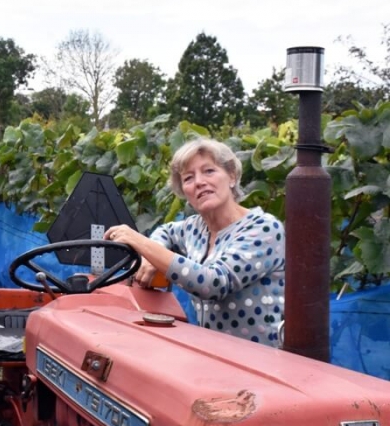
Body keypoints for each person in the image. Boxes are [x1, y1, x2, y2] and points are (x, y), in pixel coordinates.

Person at [104, 138, 285, 347]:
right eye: (188, 178)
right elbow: (166, 232)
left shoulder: (264, 228)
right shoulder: (194, 227)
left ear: (232, 176)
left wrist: (141, 243)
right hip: (213, 355)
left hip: (261, 363)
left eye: (209, 171)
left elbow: (212, 283)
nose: (199, 182)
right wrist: (151, 257)